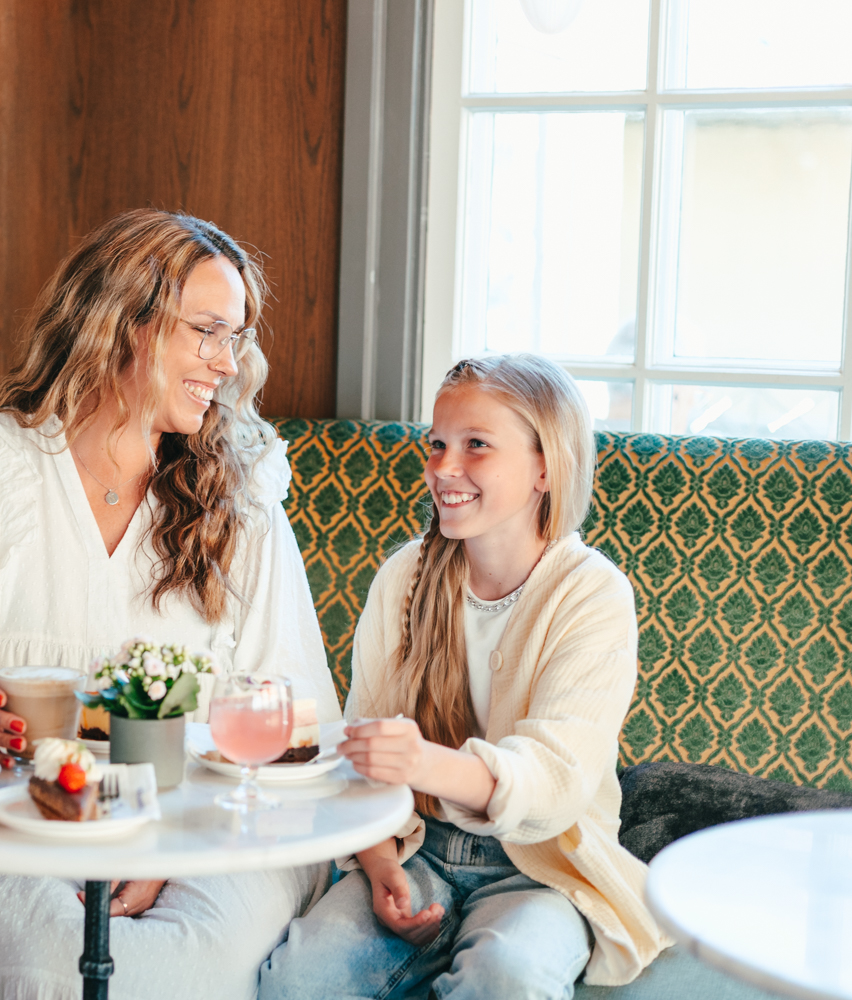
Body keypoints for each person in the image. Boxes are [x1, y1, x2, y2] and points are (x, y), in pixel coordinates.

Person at [0, 208, 342, 1000]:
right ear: (123, 323)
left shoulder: (241, 498)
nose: (227, 363)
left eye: (235, 337)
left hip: (210, 823)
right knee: (43, 967)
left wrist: (165, 854)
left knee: (180, 968)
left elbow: (289, 715)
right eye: (206, 331)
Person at [257, 354, 668, 999]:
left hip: (542, 867)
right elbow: (362, 750)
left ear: (544, 467)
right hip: (416, 849)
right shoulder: (404, 577)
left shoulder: (591, 594)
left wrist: (423, 763)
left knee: (509, 977)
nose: (444, 468)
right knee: (298, 980)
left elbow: (556, 783)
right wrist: (381, 863)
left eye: (477, 446)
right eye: (438, 445)